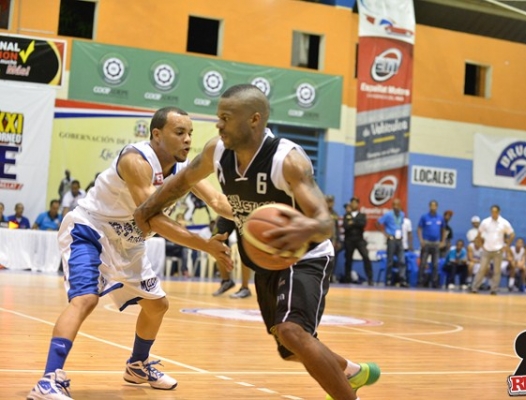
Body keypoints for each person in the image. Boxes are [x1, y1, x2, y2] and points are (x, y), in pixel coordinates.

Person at [134, 84, 380, 400]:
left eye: (226, 117)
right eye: (218, 117)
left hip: (305, 254)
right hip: (267, 258)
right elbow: (182, 182)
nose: (218, 124)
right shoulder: (216, 152)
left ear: (254, 120)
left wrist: (300, 229)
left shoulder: (287, 160)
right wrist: (146, 209)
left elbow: (324, 222)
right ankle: (352, 372)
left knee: (294, 333)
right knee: (290, 348)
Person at [27, 106, 233, 400]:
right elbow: (152, 219)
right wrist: (206, 245)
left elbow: (217, 200)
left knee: (157, 305)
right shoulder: (135, 160)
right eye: (179, 133)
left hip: (127, 241)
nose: (188, 139)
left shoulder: (181, 170)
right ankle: (48, 380)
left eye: (190, 133)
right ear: (157, 135)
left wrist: (250, 216)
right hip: (91, 230)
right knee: (85, 299)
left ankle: (137, 365)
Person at [471, 205, 515, 295]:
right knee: (482, 269)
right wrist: (480, 244)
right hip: (486, 249)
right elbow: (479, 232)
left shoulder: (504, 223)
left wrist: (507, 245)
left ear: (499, 212)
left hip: (498, 250)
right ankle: (474, 287)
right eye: (492, 212)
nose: (493, 214)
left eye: (495, 212)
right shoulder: (485, 222)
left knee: (496, 271)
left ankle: (494, 289)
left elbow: (512, 234)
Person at [212, 216, 253, 299]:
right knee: (215, 241)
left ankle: (245, 288)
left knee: (244, 247)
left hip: (244, 211)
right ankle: (226, 281)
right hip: (227, 210)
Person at [376, 198, 408, 287]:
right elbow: (377, 223)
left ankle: (402, 280)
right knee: (390, 261)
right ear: (392, 206)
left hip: (399, 240)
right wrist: (386, 234)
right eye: (394, 205)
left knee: (402, 260)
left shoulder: (402, 214)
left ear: (400, 206)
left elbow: (400, 225)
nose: (396, 207)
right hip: (391, 240)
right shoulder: (388, 215)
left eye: (397, 205)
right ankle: (388, 280)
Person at [343, 196, 373, 285]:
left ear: (358, 204)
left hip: (359, 239)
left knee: (366, 257)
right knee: (348, 259)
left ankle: (370, 278)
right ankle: (347, 278)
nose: (354, 204)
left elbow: (362, 224)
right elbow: (346, 226)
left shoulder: (362, 215)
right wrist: (355, 222)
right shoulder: (346, 215)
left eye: (355, 202)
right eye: (352, 202)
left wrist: (353, 222)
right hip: (349, 239)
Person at [417, 200, 446, 288]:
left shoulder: (440, 218)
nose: (433, 207)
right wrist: (421, 240)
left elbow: (443, 230)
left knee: (435, 264)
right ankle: (420, 282)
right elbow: (419, 229)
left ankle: (434, 282)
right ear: (429, 206)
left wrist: (443, 241)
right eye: (431, 206)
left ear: (437, 207)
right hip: (426, 243)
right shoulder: (424, 217)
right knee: (423, 263)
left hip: (436, 243)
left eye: (435, 206)